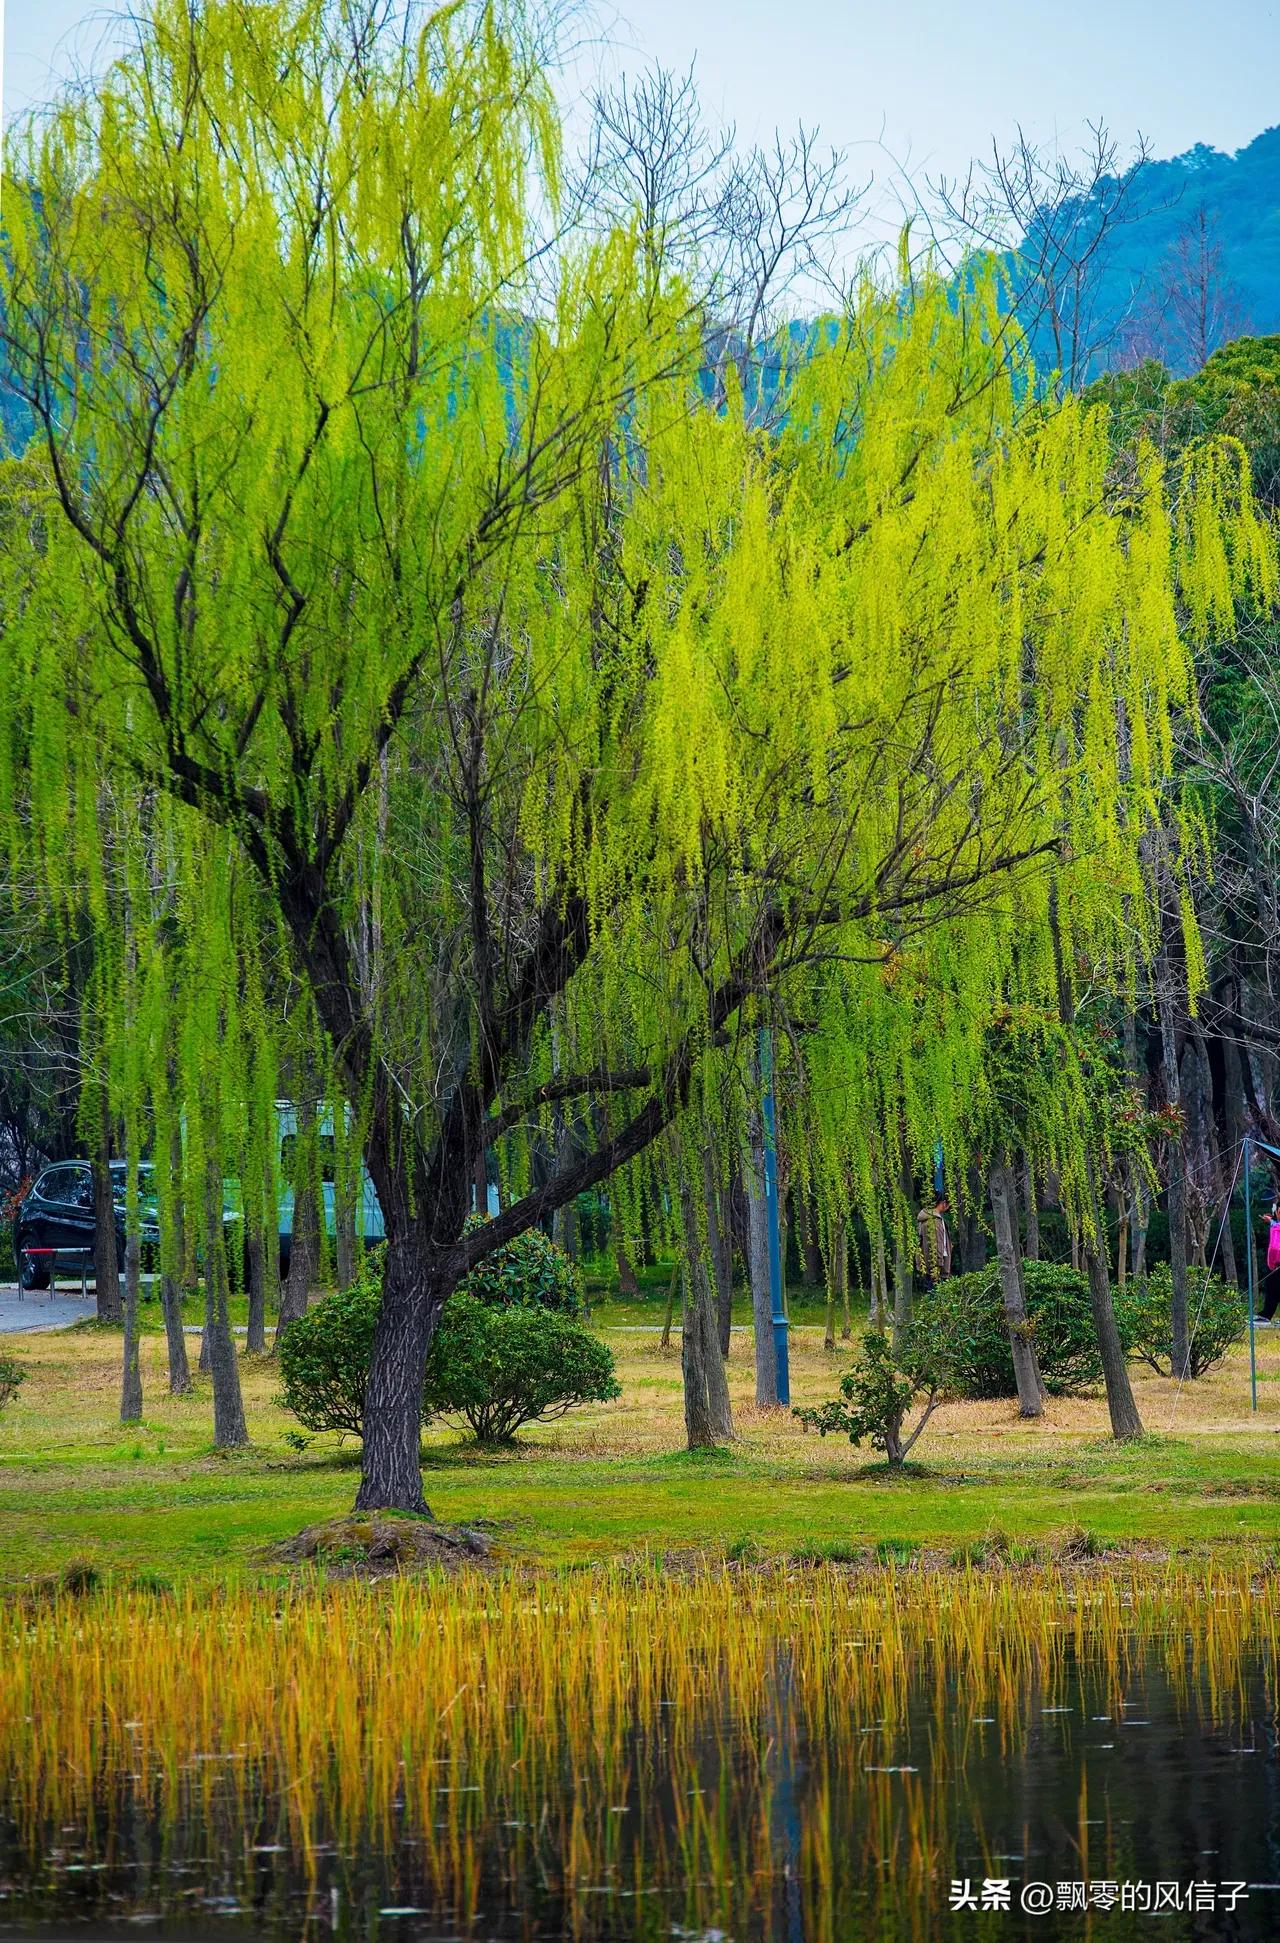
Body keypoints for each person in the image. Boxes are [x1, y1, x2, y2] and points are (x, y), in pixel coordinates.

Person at [917, 1194, 953, 1290]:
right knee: (935, 1293)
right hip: (935, 1264)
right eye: (948, 1205)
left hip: (931, 1263)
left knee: (932, 1292)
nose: (948, 1208)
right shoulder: (934, 1221)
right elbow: (937, 1244)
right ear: (943, 1203)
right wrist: (939, 1262)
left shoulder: (927, 1219)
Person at [1257, 1202, 1280, 1323]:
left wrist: (1271, 1222)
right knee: (1272, 1288)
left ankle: (1266, 1314)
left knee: (1272, 1287)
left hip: (1277, 1263)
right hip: (1275, 1264)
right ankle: (1266, 1313)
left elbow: (1275, 1247)